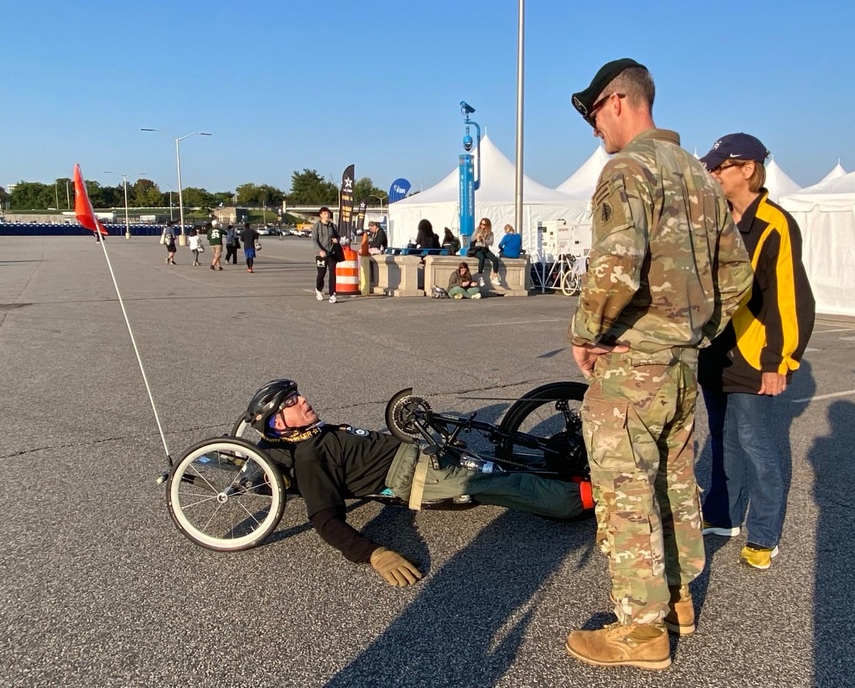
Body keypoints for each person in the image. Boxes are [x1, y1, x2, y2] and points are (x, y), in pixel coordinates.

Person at [564, 58, 753, 670]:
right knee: (674, 482)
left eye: (594, 113)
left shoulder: (629, 168)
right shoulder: (699, 177)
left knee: (626, 491)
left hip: (634, 362)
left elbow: (617, 261)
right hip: (680, 366)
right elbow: (738, 277)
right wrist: (692, 332)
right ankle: (676, 602)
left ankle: (641, 632)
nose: (595, 129)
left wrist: (586, 333)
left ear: (618, 102)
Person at [243, 379, 594, 586]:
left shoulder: (312, 433)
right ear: (277, 424)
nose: (303, 399)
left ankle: (577, 474)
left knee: (508, 462)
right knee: (508, 485)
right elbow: (324, 518)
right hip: (422, 476)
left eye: (298, 394)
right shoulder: (308, 458)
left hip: (423, 453)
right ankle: (600, 498)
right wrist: (374, 554)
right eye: (291, 402)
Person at [697, 133, 816, 574]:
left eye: (718, 167)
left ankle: (763, 534)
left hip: (753, 354)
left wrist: (778, 362)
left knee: (756, 444)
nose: (711, 174)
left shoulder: (775, 224)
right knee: (722, 439)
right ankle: (723, 515)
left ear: (747, 169)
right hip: (713, 352)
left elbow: (790, 298)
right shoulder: (714, 220)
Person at [313, 207, 343, 303]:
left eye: (328, 213)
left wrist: (337, 240)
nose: (327, 215)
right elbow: (314, 240)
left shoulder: (333, 226)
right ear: (321, 215)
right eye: (325, 213)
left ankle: (332, 294)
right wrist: (320, 251)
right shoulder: (317, 226)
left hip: (332, 253)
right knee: (321, 273)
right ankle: (318, 289)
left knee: (332, 273)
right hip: (321, 254)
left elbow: (338, 236)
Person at [470, 217, 500, 285]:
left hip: (485, 248)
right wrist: (476, 237)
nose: (482, 226)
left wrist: (484, 239)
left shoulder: (490, 233)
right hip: (478, 249)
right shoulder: (477, 230)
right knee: (481, 258)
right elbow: (471, 239)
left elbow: (491, 242)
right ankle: (480, 277)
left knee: (495, 259)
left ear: (487, 225)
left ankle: (495, 277)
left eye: (484, 224)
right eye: (481, 224)